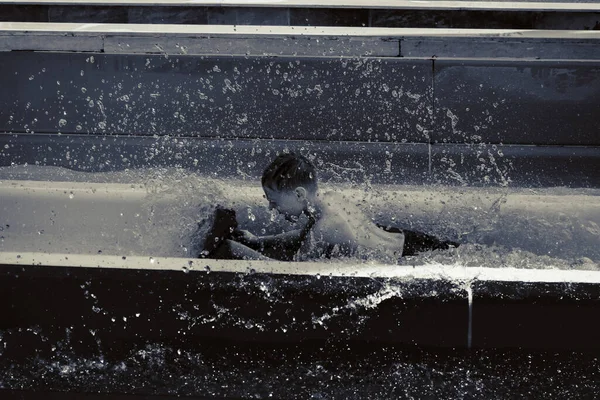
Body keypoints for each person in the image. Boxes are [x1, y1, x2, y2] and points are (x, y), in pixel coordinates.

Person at [198, 152, 457, 261]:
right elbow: (300, 238)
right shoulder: (328, 200)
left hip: (411, 257)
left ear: (300, 194)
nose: (271, 209)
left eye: (274, 202)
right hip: (409, 241)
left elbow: (290, 275)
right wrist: (258, 240)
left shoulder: (327, 226)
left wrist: (234, 251)